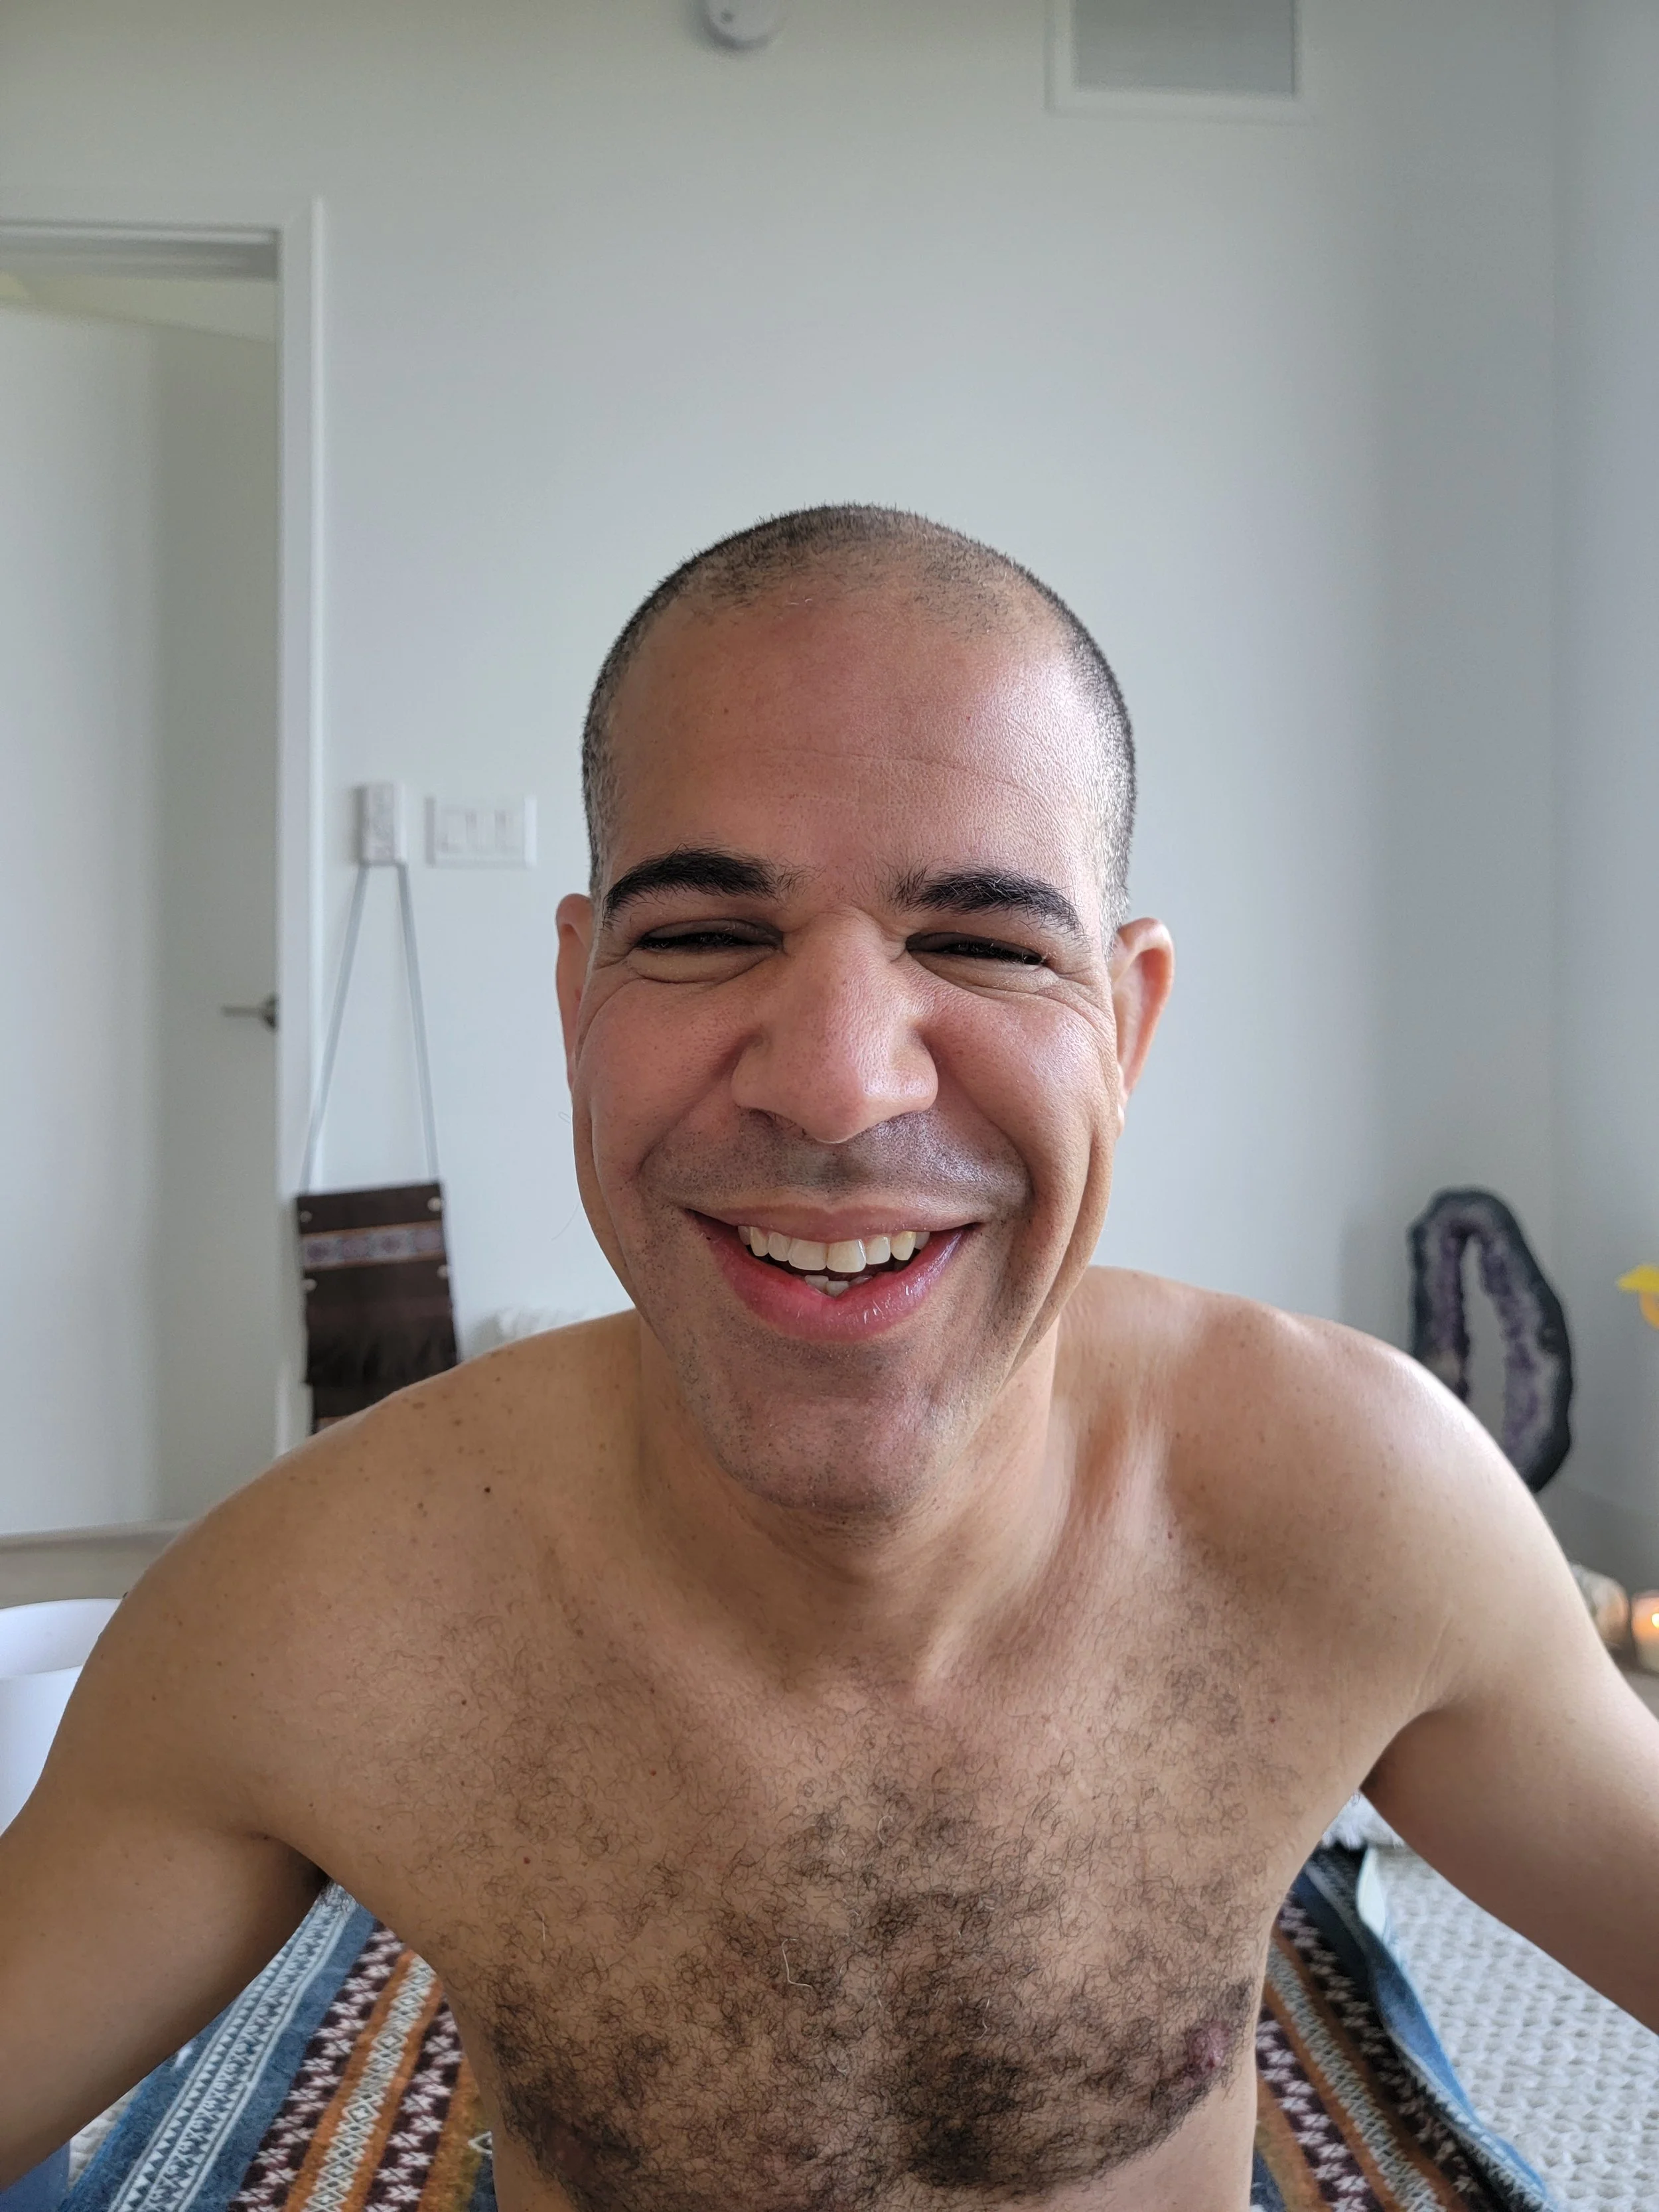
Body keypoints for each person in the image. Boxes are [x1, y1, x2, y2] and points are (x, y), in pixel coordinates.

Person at [3, 506, 1656, 2212]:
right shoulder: (321, 1614)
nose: (840, 1082)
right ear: (576, 998)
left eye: (985, 943)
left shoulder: (1355, 1506)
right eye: (703, 933)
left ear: (1125, 1023)